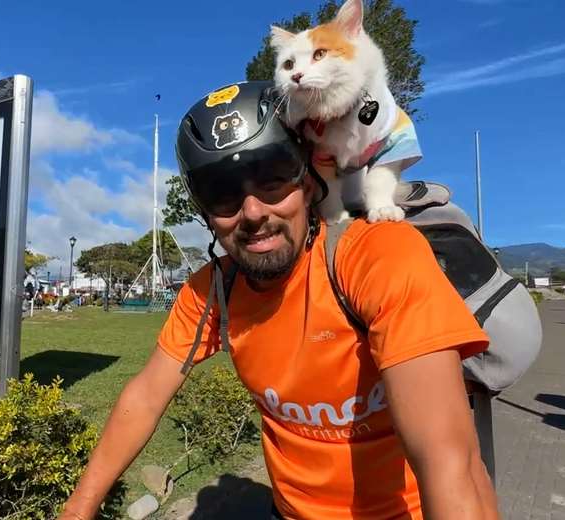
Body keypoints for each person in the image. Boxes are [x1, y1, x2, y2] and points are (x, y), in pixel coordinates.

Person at [59, 82, 498, 519]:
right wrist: (78, 509)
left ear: (309, 185)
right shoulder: (213, 289)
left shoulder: (377, 258)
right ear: (205, 213)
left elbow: (447, 463)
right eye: (223, 194)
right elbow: (146, 397)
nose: (252, 212)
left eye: (272, 182)